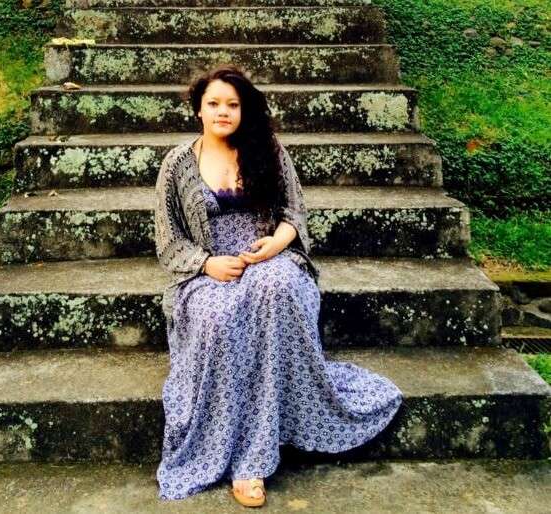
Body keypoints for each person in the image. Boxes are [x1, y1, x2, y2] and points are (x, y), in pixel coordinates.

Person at [153, 64, 403, 507]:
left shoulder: (268, 151)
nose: (223, 112)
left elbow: (295, 216)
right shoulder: (176, 164)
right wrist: (208, 263)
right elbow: (169, 240)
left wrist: (273, 246)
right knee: (220, 317)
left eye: (233, 104)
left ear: (244, 111)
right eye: (214, 103)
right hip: (207, 272)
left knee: (279, 289)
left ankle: (254, 457)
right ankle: (226, 447)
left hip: (270, 257)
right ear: (198, 109)